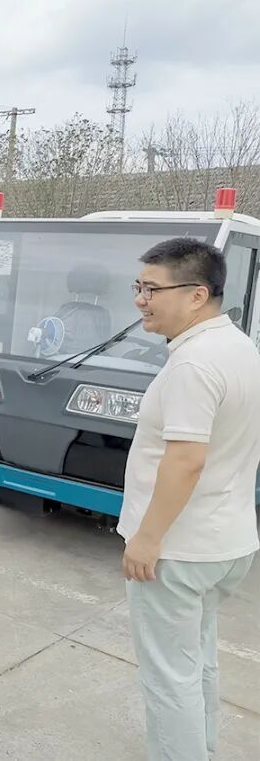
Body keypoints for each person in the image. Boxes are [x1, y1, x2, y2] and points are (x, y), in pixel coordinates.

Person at [119, 238, 260, 761]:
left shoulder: (192, 365)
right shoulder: (240, 347)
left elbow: (185, 460)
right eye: (139, 287)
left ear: (197, 294)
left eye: (152, 289)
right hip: (226, 540)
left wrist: (147, 538)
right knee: (197, 659)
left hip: (178, 550)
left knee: (168, 679)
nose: (141, 300)